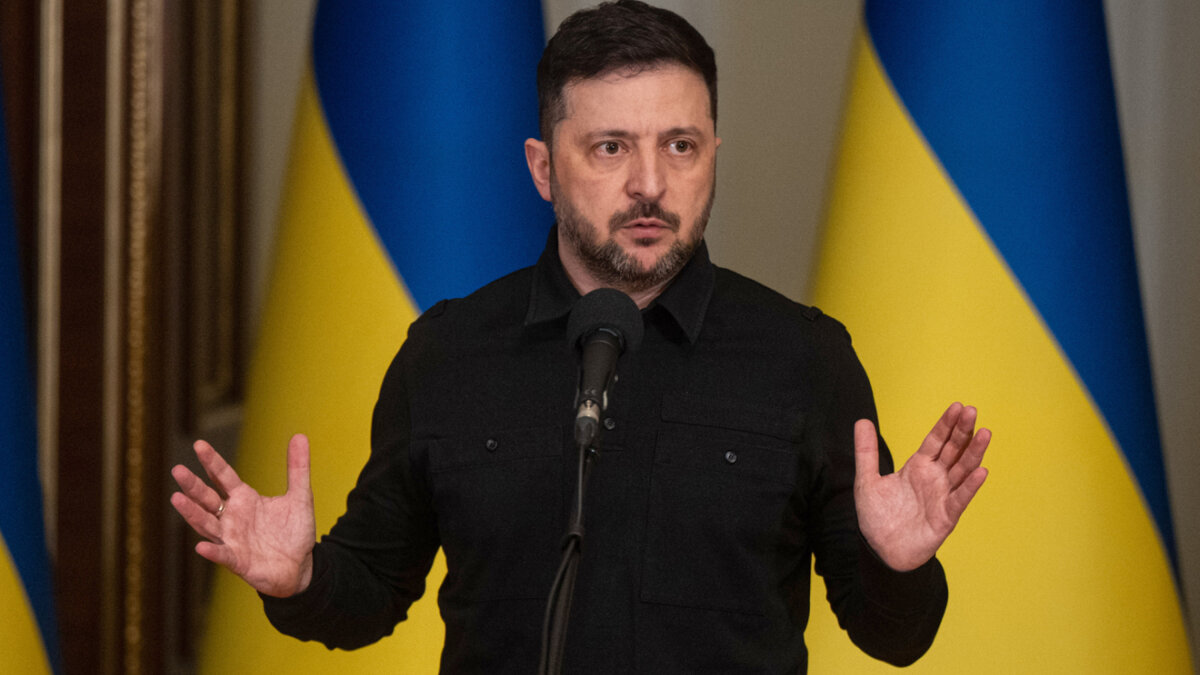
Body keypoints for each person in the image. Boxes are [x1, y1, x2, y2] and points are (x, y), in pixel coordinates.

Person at [170, 1, 991, 672]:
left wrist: (900, 563)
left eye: (680, 146)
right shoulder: (449, 354)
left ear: (713, 155)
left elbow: (892, 636)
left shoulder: (803, 358)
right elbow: (371, 593)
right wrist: (300, 577)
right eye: (610, 148)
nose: (649, 183)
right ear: (543, 168)